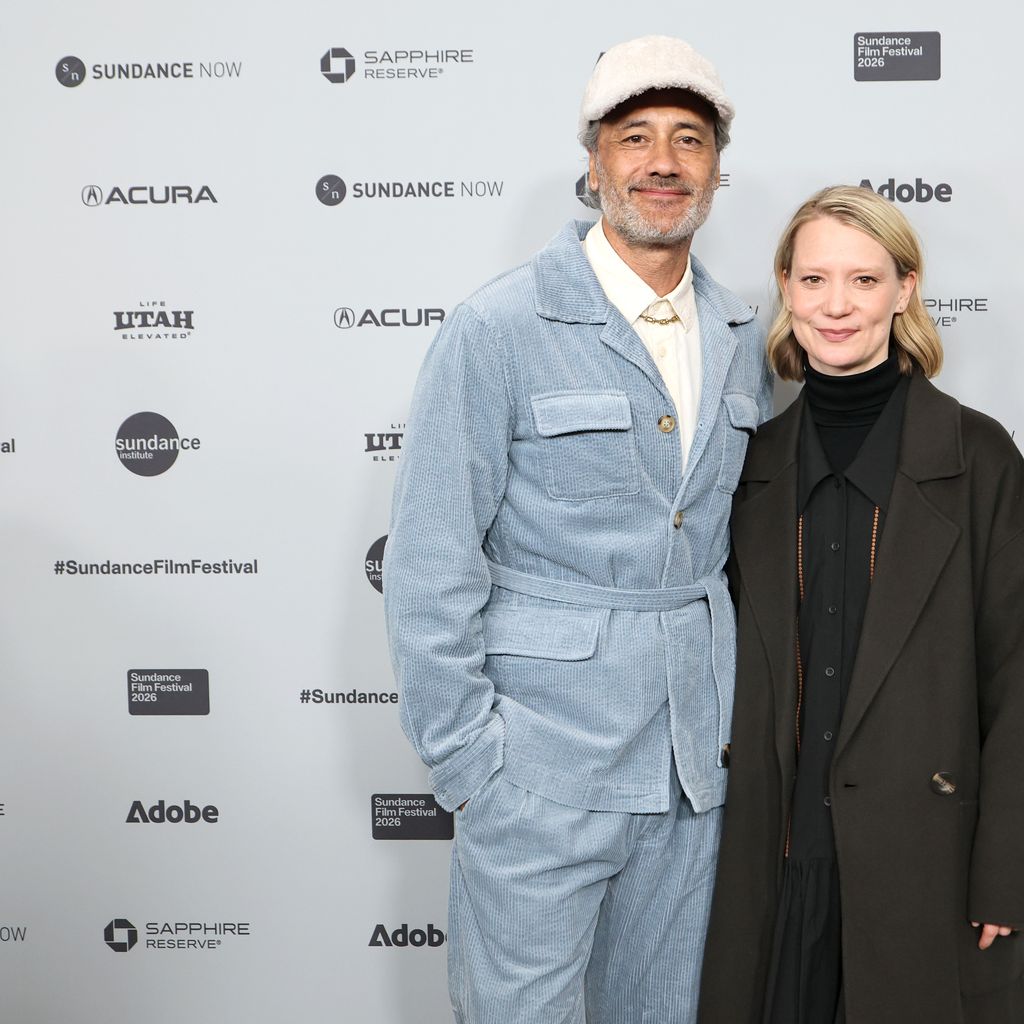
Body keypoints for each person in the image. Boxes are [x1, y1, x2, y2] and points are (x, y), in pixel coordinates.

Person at [384, 34, 772, 1024]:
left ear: (717, 170)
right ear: (593, 159)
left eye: (689, 140)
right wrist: (474, 766)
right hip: (540, 767)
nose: (662, 162)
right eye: (633, 136)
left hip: (693, 779)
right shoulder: (498, 329)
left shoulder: (740, 337)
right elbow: (430, 566)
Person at [698, 185, 1024, 1024]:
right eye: (812, 281)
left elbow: (1018, 681)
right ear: (785, 288)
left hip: (925, 866)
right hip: (773, 862)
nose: (835, 306)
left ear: (905, 289)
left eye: (863, 280)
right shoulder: (749, 464)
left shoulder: (978, 457)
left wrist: (1007, 872)